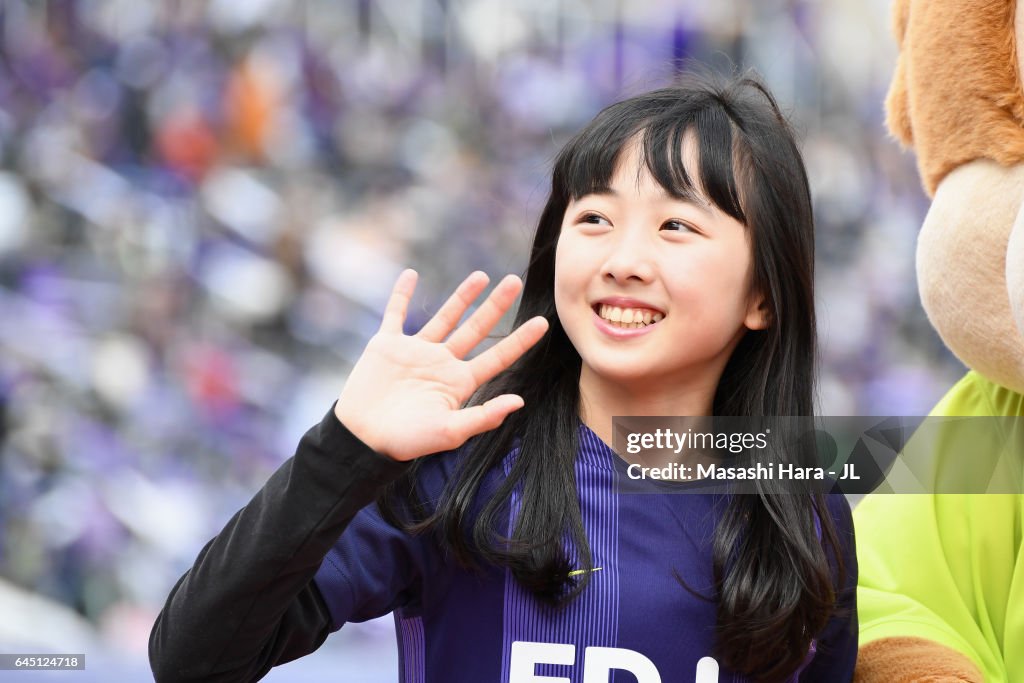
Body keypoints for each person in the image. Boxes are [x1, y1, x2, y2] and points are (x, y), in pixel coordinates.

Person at [149, 71, 857, 682]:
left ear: (764, 294)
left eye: (675, 226)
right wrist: (343, 444)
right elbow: (193, 658)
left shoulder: (806, 509)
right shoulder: (460, 464)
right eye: (595, 218)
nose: (623, 259)